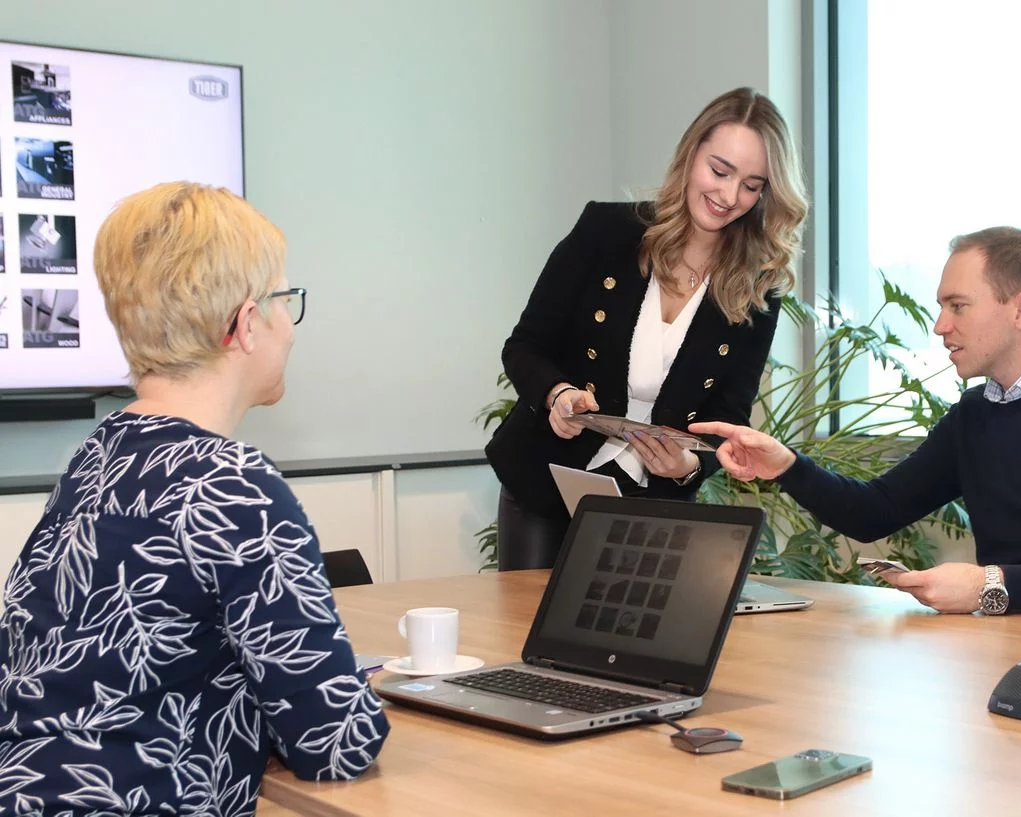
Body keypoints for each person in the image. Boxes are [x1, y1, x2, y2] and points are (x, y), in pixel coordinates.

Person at [0, 182, 389, 814]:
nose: (289, 325)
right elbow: (336, 741)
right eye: (283, 299)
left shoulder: (101, 451)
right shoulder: (233, 484)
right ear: (244, 324)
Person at [692, 226, 1021, 616]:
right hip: (1015, 650)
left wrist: (993, 585)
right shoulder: (975, 415)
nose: (941, 325)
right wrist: (785, 466)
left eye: (958, 306)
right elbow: (874, 511)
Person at [486, 87, 809, 570]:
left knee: (630, 642)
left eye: (751, 184)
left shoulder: (757, 287)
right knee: (526, 638)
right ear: (691, 154)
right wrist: (557, 395)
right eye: (719, 171)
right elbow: (525, 346)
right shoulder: (606, 232)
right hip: (547, 483)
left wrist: (686, 468)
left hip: (651, 501)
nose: (728, 196)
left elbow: (727, 415)